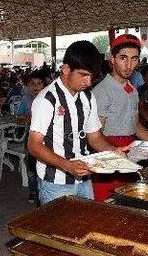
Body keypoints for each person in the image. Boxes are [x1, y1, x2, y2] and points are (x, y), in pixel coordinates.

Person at [27, 41, 123, 205]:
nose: (88, 82)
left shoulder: (87, 96)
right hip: (55, 184)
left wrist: (114, 151)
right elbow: (34, 145)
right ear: (65, 69)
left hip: (84, 178)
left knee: (85, 227)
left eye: (91, 76)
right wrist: (67, 165)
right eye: (83, 74)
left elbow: (94, 137)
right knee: (59, 229)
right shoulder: (47, 99)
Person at [91, 35, 148, 201]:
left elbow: (135, 126)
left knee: (125, 203)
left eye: (134, 59)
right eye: (123, 58)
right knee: (106, 205)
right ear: (112, 59)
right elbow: (96, 136)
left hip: (128, 153)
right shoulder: (102, 91)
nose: (129, 65)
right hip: (108, 155)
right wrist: (116, 152)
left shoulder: (132, 90)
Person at [16, 72, 45, 204]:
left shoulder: (49, 98)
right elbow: (19, 116)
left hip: (47, 138)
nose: (35, 86)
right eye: (32, 83)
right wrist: (26, 116)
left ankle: (44, 191)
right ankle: (33, 191)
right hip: (31, 137)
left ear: (44, 85)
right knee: (32, 167)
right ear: (28, 86)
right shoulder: (26, 99)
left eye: (39, 83)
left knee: (45, 166)